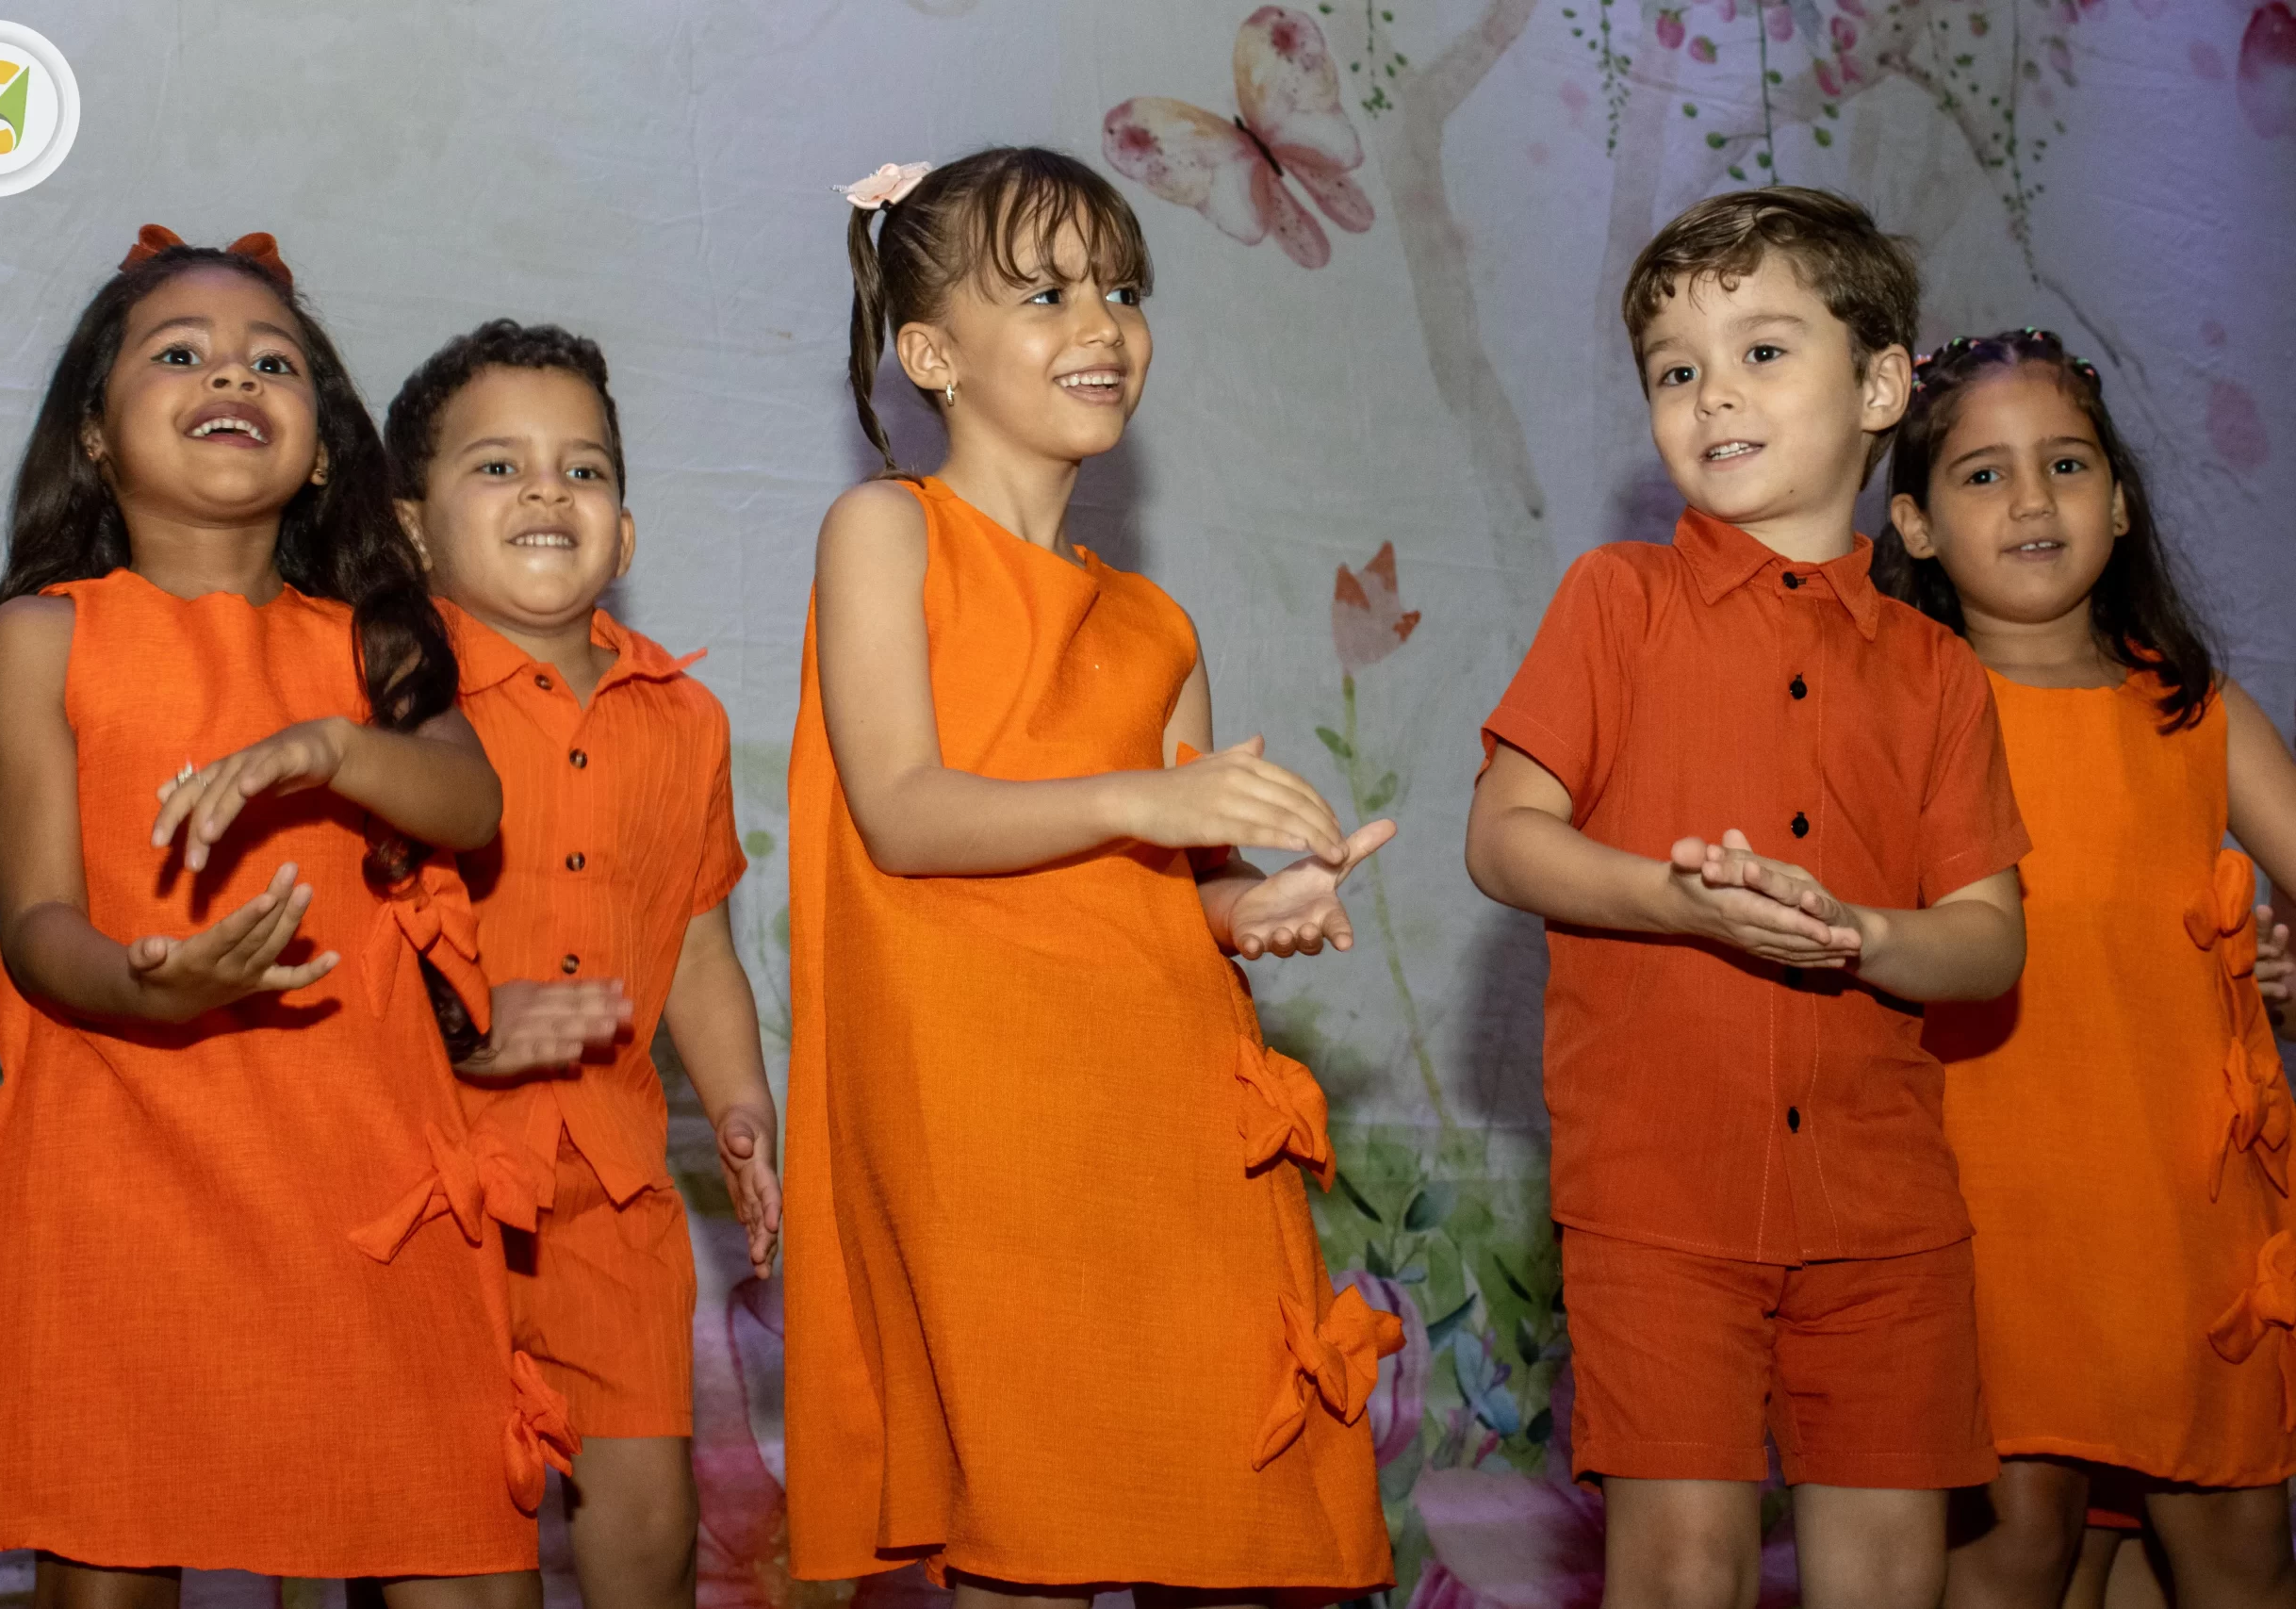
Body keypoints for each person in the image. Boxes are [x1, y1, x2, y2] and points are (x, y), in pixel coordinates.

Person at [0, 227, 574, 1603]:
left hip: (367, 1184)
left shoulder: (375, 643)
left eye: (275, 361)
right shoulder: (44, 634)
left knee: (455, 1544)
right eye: (181, 353)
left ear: (321, 453)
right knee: (111, 1547)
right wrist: (155, 986)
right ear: (95, 436)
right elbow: (41, 926)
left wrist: (329, 747)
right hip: (122, 1172)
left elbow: (469, 801)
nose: (233, 375)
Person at [783, 147, 1403, 1606]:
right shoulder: (886, 529)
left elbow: (1179, 885)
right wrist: (1150, 794)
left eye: (1123, 291)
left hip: (1171, 1115)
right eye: (1046, 293)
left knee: (1225, 1533)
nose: (1103, 325)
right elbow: (906, 813)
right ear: (929, 354)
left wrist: (1260, 905)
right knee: (1031, 1532)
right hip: (985, 1123)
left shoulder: (1157, 622)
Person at [1464, 189, 2030, 1609]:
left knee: (1889, 1575)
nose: (1712, 393)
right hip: (1658, 1191)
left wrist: (1866, 934)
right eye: (1676, 370)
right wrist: (1680, 901)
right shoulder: (1616, 598)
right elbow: (1505, 839)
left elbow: (1989, 941)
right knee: (1681, 1567)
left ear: (1882, 388)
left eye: (1763, 352)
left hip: (1886, 1210)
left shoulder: (1939, 672)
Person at [1877, 327, 2296, 1609]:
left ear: (2118, 501)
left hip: (2186, 1217)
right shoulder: (1901, 711)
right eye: (1984, 474)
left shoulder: (2197, 710)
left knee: (2238, 1549)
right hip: (1987, 1205)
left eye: (2066, 463)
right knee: (2017, 1546)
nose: (2034, 499)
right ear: (1916, 525)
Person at [385, 319, 779, 1609]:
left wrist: (740, 1105)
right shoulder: (387, 707)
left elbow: (699, 939)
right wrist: (461, 1025)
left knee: (650, 1525)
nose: (548, 491)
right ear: (409, 531)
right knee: (452, 1537)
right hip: (426, 1187)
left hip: (615, 1185)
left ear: (626, 534)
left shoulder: (687, 719)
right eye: (497, 466)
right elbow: (347, 937)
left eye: (585, 469)